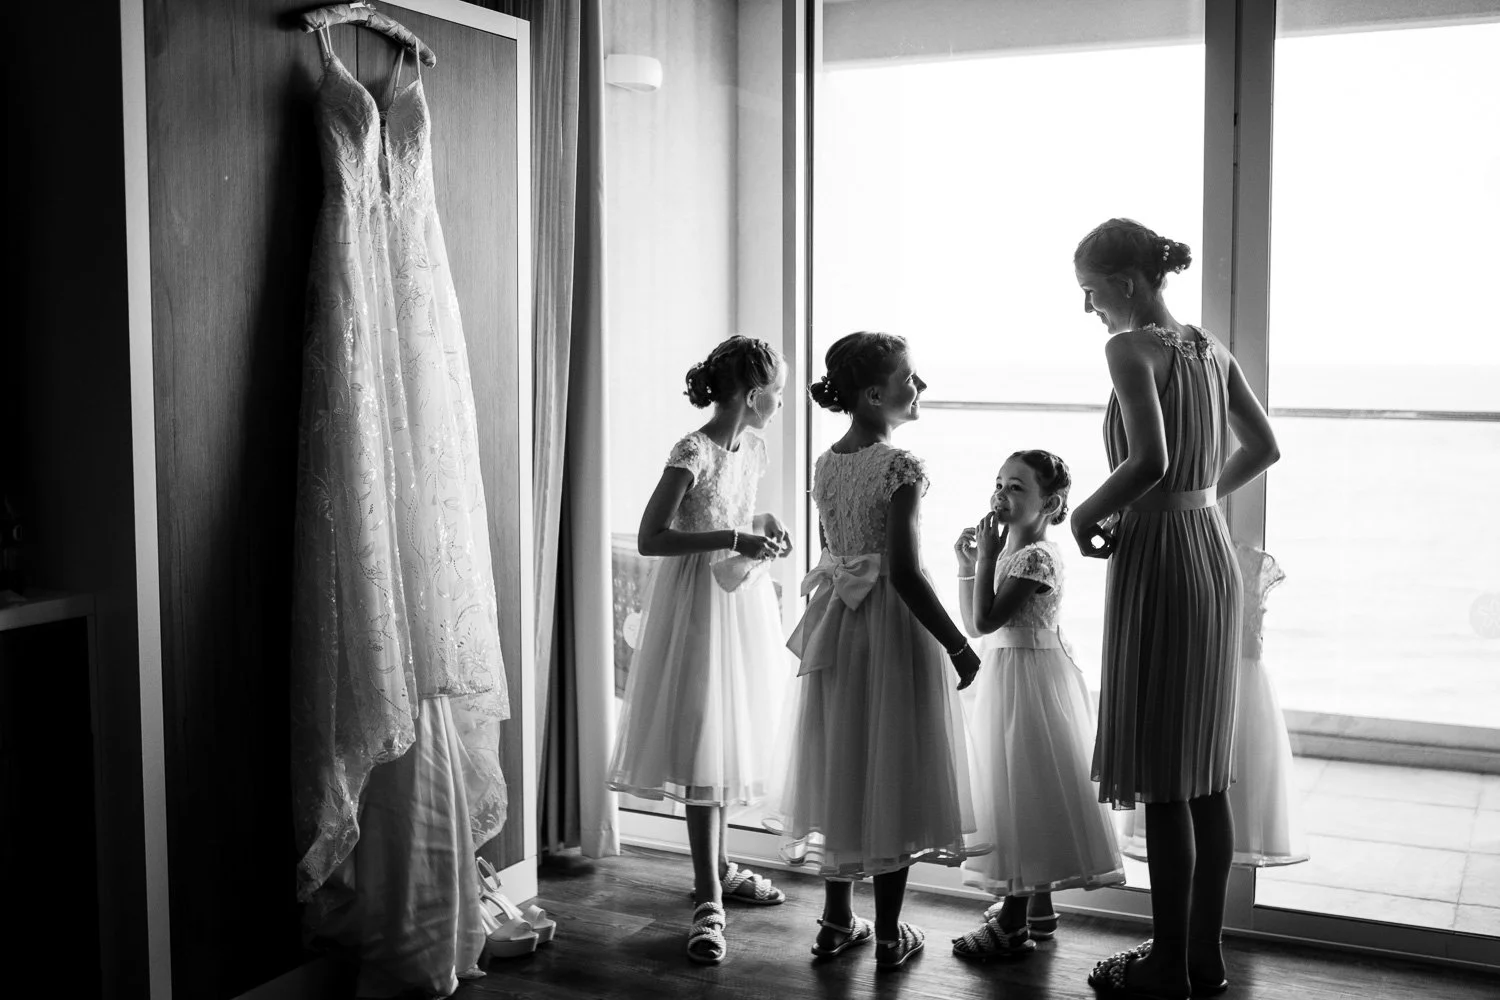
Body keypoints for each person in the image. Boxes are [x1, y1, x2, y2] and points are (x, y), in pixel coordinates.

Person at [1070, 219, 1279, 1000]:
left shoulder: (1130, 350)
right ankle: (1203, 957)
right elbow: (1263, 446)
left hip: (1161, 559)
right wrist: (1199, 500)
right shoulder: (1210, 348)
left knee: (1165, 773)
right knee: (1204, 773)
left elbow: (1149, 461)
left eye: (1091, 291)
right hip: (1209, 552)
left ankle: (1165, 964)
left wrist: (1083, 514)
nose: (1088, 308)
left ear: (1126, 283)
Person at [764, 331, 983, 972]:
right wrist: (958, 645)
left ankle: (836, 921)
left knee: (844, 759)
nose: (920, 386)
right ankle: (888, 935)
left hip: (839, 622)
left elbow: (834, 549)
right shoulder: (900, 467)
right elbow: (906, 573)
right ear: (873, 395)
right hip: (892, 627)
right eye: (909, 377)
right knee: (895, 765)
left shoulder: (827, 463)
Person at [605, 335, 794, 965]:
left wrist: (761, 526)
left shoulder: (753, 449)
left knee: (727, 735)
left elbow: (733, 511)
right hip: (693, 606)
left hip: (738, 602)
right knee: (700, 742)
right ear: (752, 395)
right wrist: (734, 536)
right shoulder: (692, 449)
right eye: (777, 391)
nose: (780, 403)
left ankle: (722, 866)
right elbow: (653, 537)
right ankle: (708, 896)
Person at [950, 450, 1125, 962]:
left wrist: (987, 556)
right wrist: (968, 567)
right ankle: (1038, 909)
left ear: (1049, 505)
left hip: (1030, 680)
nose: (1001, 494)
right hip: (1007, 672)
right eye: (999, 482)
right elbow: (974, 625)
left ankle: (1012, 921)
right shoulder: (1012, 553)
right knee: (1015, 785)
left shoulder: (1037, 558)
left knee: (1023, 788)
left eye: (1017, 487)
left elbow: (988, 621)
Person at [1115, 542, 1309, 869]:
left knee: (1191, 790)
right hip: (1201, 680)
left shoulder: (1221, 558)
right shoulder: (1191, 554)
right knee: (1200, 792)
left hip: (1227, 691)